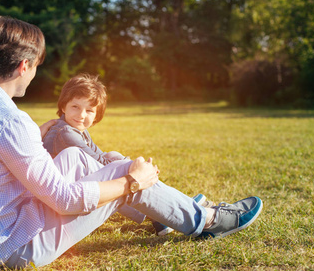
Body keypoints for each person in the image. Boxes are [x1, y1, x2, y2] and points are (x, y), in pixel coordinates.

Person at [0, 16, 263, 268]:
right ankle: (205, 220)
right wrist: (131, 182)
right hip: (8, 247)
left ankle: (162, 213)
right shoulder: (10, 120)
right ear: (24, 66)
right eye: (36, 66)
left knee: (75, 158)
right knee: (124, 170)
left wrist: (30, 137)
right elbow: (64, 200)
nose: (35, 72)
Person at [42, 73, 214, 236]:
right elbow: (99, 164)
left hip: (71, 188)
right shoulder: (65, 133)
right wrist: (131, 166)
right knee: (117, 173)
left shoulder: (76, 128)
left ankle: (167, 209)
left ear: (96, 115)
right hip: (62, 198)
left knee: (114, 158)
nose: (81, 115)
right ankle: (164, 212)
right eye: (75, 107)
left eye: (89, 111)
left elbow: (99, 154)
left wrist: (123, 161)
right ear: (63, 106)